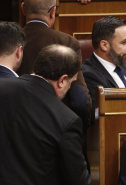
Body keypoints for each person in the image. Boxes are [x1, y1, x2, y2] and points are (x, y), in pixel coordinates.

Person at [0, 44, 91, 185]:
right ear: (62, 80)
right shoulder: (66, 119)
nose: (68, 89)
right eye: (70, 84)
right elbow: (77, 179)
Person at [18, 0, 92, 171]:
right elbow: (81, 101)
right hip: (57, 137)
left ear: (23, 9)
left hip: (17, 134)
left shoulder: (11, 40)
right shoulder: (66, 42)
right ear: (53, 12)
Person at [82, 16, 126, 119]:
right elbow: (100, 117)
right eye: (124, 42)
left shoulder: (125, 69)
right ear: (104, 45)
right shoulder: (88, 74)